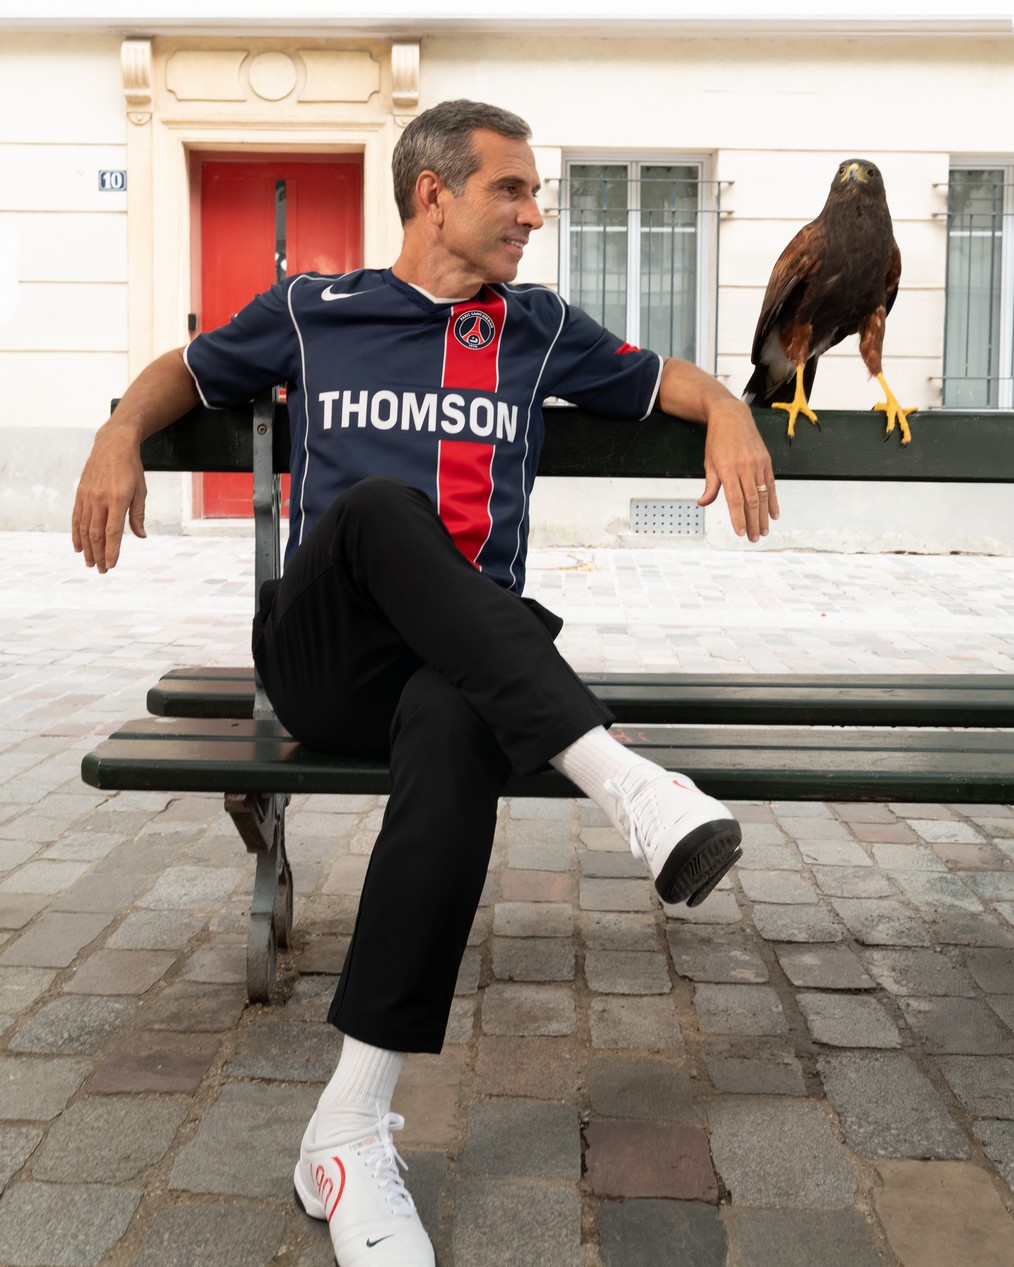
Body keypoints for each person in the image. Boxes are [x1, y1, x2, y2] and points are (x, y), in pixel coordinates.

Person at [73, 100, 778, 1267]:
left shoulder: (535, 329)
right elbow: (180, 373)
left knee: (461, 715)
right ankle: (628, 782)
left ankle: (347, 1130)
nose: (534, 214)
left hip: (455, 670)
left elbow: (671, 382)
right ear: (433, 192)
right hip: (324, 655)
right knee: (382, 511)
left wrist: (736, 412)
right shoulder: (316, 310)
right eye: (513, 189)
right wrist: (115, 436)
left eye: (535, 192)